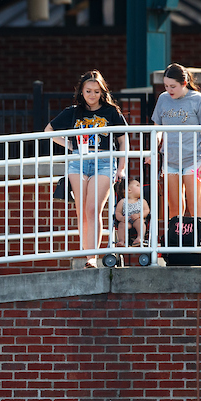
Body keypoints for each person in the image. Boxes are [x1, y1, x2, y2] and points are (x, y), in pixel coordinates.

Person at [46, 69, 129, 268]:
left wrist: (122, 168)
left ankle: (92, 256)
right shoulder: (73, 112)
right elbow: (49, 131)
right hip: (78, 161)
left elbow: (124, 139)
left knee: (93, 210)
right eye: (88, 91)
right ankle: (87, 255)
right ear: (81, 92)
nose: (92, 95)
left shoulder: (111, 111)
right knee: (82, 211)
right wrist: (69, 144)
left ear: (102, 92)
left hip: (105, 161)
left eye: (96, 91)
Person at [152, 63, 201, 223]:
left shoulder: (199, 99)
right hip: (170, 160)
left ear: (184, 84)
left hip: (193, 160)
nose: (169, 90)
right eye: (166, 86)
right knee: (174, 207)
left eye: (173, 86)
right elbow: (157, 128)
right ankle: (176, 244)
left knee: (195, 206)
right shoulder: (163, 98)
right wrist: (154, 147)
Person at [113, 178, 149, 247]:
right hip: (126, 221)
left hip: (137, 220)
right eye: (138, 185)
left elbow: (146, 211)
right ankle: (121, 241)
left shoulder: (142, 201)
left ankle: (140, 237)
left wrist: (139, 215)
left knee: (140, 222)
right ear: (129, 190)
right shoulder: (123, 201)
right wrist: (121, 218)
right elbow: (117, 212)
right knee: (121, 225)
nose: (141, 187)